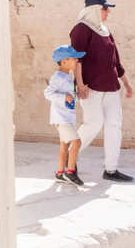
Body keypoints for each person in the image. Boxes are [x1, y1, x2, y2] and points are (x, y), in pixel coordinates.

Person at [71, 0, 134, 182]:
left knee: (114, 126)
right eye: (105, 9)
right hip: (91, 87)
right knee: (93, 124)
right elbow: (76, 59)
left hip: (111, 87)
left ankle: (111, 169)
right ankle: (68, 161)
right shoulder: (81, 29)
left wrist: (126, 83)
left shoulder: (105, 31)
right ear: (95, 10)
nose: (107, 12)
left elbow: (116, 61)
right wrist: (80, 85)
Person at [44, 45, 86, 186]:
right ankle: (70, 172)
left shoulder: (67, 77)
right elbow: (48, 93)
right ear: (64, 61)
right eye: (74, 58)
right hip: (61, 118)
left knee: (64, 145)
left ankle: (60, 173)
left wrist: (77, 95)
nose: (76, 61)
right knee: (77, 142)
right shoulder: (57, 77)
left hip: (67, 117)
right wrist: (64, 98)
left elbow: (70, 95)